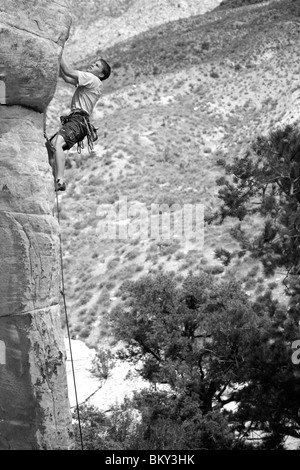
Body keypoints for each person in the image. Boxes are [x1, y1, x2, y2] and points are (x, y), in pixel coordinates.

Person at [50, 53, 111, 191]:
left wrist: (59, 50)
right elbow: (66, 78)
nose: (92, 65)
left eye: (96, 65)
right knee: (50, 147)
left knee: (56, 143)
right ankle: (54, 178)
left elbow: (68, 71)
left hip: (78, 120)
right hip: (78, 122)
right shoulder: (92, 82)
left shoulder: (92, 79)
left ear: (100, 74)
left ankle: (59, 180)